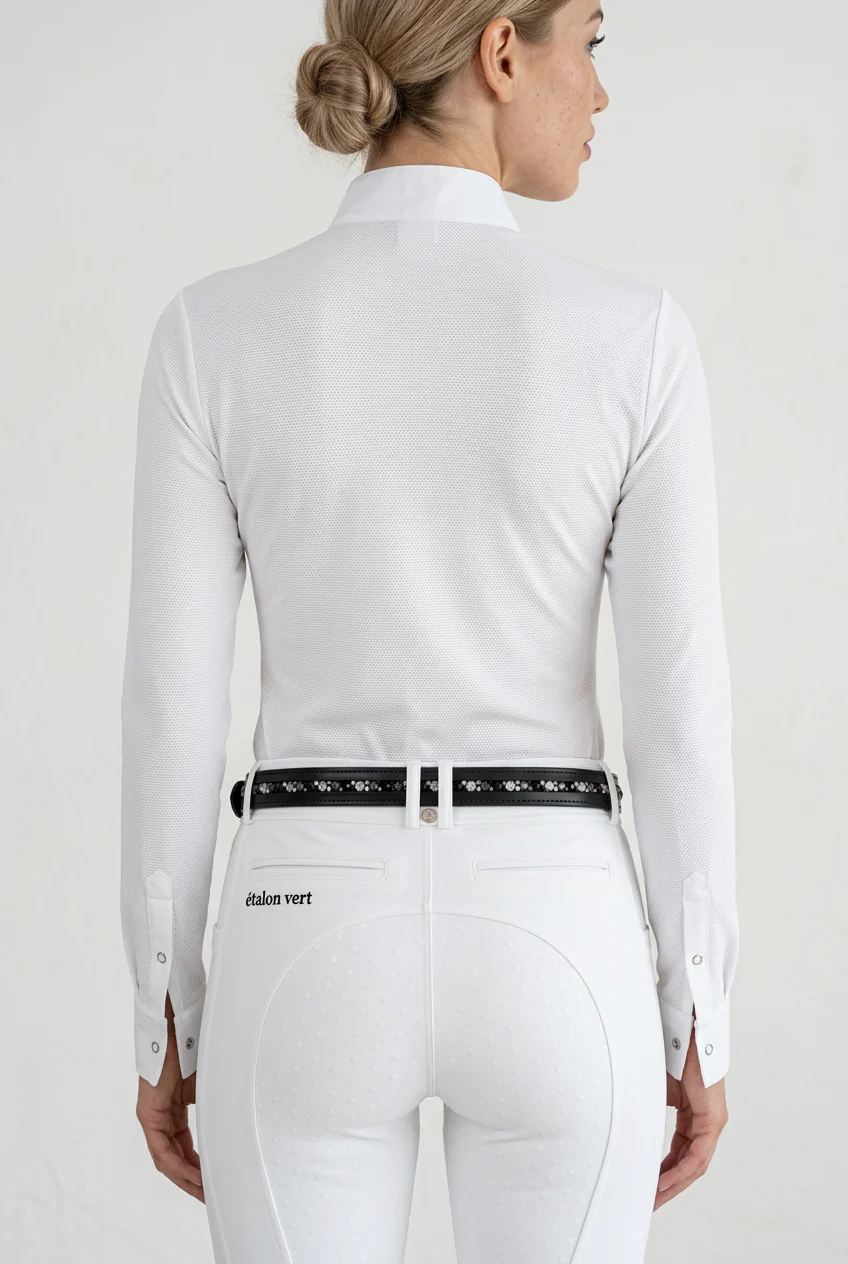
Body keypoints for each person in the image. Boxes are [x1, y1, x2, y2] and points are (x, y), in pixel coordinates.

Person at [120, 0, 739, 1259]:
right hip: (555, 930)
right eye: (590, 44)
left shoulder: (211, 331)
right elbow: (678, 709)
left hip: (303, 922)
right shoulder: (635, 338)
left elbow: (170, 711)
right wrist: (698, 1013)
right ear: (501, 53)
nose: (599, 92)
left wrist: (163, 1010)